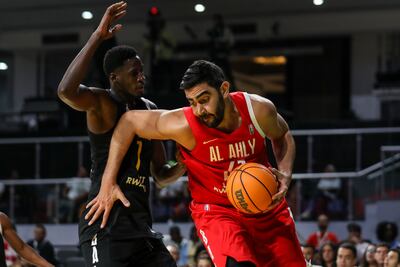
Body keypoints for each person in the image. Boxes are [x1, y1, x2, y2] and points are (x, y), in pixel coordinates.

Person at [86, 59, 305, 266]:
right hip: (218, 212)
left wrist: (285, 174)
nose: (199, 110)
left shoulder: (258, 110)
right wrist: (108, 180)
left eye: (204, 100)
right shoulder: (184, 124)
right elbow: (128, 122)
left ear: (224, 89)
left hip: (265, 205)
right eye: (192, 102)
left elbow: (282, 135)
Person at [57, 2, 186, 266]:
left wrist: (184, 162)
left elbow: (161, 173)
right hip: (105, 223)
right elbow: (66, 91)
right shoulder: (102, 104)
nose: (142, 78)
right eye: (134, 73)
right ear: (114, 77)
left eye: (142, 72)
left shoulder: (149, 109)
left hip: (141, 226)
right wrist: (96, 37)